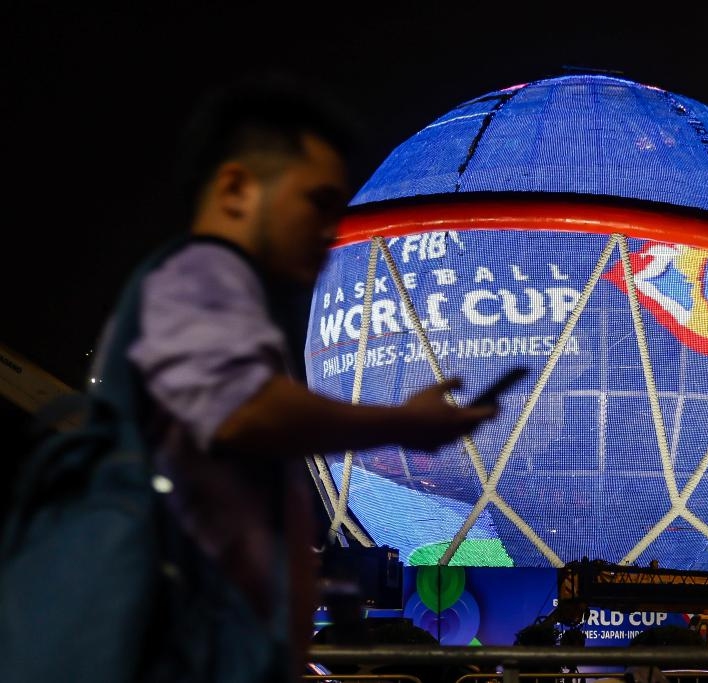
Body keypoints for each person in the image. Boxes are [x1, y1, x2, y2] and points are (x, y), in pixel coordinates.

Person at [90, 71, 497, 682]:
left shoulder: (228, 301)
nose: (331, 230)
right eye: (317, 202)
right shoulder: (200, 276)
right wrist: (405, 421)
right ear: (235, 191)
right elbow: (246, 413)